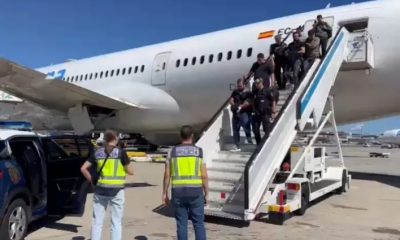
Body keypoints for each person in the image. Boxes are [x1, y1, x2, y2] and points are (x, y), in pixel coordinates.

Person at [80, 129, 134, 240]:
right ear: (115, 138)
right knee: (116, 222)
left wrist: (92, 180)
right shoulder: (121, 152)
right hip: (117, 191)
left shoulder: (97, 152)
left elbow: (83, 169)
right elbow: (131, 172)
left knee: (97, 221)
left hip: (100, 189)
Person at [162, 125, 209, 240]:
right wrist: (206, 193)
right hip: (195, 192)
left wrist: (164, 193)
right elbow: (204, 175)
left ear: (180, 136)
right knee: (199, 224)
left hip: (178, 192)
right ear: (192, 136)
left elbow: (167, 175)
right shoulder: (199, 152)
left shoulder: (172, 152)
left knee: (182, 224)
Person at [229, 79, 253, 151]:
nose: (239, 87)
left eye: (240, 86)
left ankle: (249, 140)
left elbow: (248, 102)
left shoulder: (248, 93)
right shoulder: (235, 92)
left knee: (246, 126)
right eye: (238, 86)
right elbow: (231, 99)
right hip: (236, 113)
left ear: (244, 85)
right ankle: (237, 145)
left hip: (244, 113)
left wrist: (240, 107)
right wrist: (234, 105)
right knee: (235, 129)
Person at [252, 78, 277, 145]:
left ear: (261, 83)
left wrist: (273, 111)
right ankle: (259, 144)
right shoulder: (255, 92)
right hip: (257, 113)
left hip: (266, 113)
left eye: (258, 83)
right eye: (256, 84)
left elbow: (273, 100)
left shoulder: (267, 91)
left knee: (266, 129)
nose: (257, 85)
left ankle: (268, 143)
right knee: (255, 129)